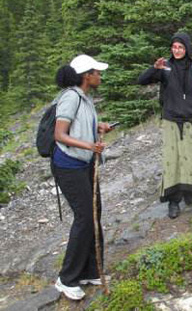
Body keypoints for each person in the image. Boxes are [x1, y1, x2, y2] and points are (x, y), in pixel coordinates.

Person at [138, 33, 192, 219]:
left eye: (180, 47)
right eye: (174, 47)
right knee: (174, 161)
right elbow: (142, 80)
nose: (177, 50)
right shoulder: (165, 67)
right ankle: (173, 200)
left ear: (187, 49)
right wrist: (154, 69)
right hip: (172, 120)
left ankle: (191, 192)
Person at [52, 54, 113, 300]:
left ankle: (89, 270)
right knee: (85, 217)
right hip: (69, 166)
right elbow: (60, 134)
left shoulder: (85, 99)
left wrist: (99, 128)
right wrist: (90, 146)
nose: (100, 75)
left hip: (84, 164)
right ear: (86, 75)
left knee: (93, 215)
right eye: (97, 72)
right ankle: (66, 279)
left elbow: (80, 127)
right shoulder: (70, 98)